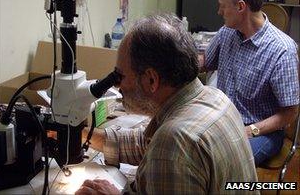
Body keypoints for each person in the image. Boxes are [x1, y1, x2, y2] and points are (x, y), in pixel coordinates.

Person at [76, 14, 258, 194]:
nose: (116, 85)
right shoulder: (215, 97)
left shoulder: (175, 141)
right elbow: (145, 143)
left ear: (151, 79)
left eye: (120, 76)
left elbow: (166, 146)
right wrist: (80, 135)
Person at [200, 0, 299, 166]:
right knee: (191, 149)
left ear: (240, 7)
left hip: (261, 131)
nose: (219, 11)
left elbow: (290, 112)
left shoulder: (282, 50)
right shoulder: (226, 32)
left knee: (223, 164)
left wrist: (250, 130)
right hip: (224, 122)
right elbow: (205, 62)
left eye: (222, 5)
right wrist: (175, 58)